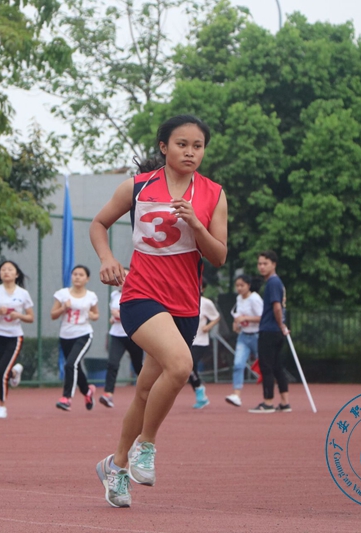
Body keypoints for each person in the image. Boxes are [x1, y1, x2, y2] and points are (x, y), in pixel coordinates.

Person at [89, 114, 228, 507]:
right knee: (181, 366)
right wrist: (107, 259)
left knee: (147, 390)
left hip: (185, 305)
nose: (190, 152)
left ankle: (115, 466)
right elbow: (99, 224)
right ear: (164, 147)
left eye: (198, 146)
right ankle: (145, 446)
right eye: (182, 144)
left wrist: (197, 226)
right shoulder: (137, 187)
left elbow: (219, 256)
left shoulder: (214, 194)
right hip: (141, 295)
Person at [0, 260, 34, 419]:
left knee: (2, 373)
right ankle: (15, 372)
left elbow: (31, 317)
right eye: (3, 269)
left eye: (10, 269)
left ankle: (1, 406)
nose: (6, 272)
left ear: (16, 274)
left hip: (14, 336)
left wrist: (19, 315)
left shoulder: (23, 294)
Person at [51, 265, 100, 411]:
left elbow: (96, 314)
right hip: (66, 335)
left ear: (87, 279)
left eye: (81, 275)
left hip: (84, 334)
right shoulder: (62, 294)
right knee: (75, 366)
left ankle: (67, 398)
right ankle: (87, 391)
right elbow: (53, 315)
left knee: (70, 364)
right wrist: (63, 308)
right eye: (75, 274)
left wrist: (92, 315)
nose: (77, 277)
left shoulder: (91, 296)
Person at [248, 250, 291, 414]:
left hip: (269, 330)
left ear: (274, 264)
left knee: (266, 366)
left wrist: (280, 324)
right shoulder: (277, 282)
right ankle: (285, 402)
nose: (261, 267)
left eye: (265, 263)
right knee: (277, 366)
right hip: (276, 330)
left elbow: (277, 307)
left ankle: (268, 402)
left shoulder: (273, 283)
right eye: (259, 264)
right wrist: (282, 326)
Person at [100, 269, 144, 408]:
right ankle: (108, 394)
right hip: (117, 335)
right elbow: (113, 316)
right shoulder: (114, 295)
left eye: (126, 276)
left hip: (133, 335)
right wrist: (113, 318)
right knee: (112, 364)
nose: (122, 279)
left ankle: (148, 392)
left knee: (138, 367)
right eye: (120, 276)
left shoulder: (139, 294)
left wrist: (120, 315)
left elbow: (138, 314)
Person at [225, 274, 263, 407]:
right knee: (238, 364)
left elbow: (262, 317)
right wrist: (236, 323)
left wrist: (246, 318)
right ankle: (236, 394)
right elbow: (239, 316)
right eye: (237, 286)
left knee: (265, 365)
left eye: (242, 285)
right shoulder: (239, 299)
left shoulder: (255, 298)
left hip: (257, 336)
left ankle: (269, 393)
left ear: (249, 285)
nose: (239, 288)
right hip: (243, 336)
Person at [187, 281, 220, 409]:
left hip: (200, 341)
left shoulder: (206, 303)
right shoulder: (185, 300)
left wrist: (208, 327)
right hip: (186, 341)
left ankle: (199, 390)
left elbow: (216, 317)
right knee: (187, 368)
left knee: (189, 364)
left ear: (203, 289)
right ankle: (199, 390)